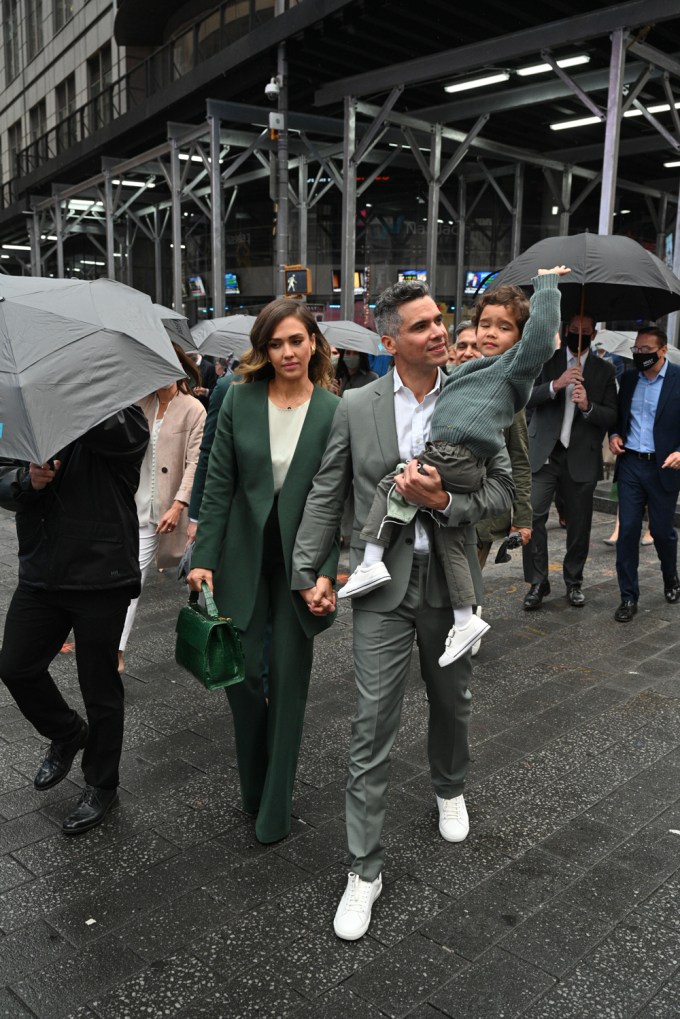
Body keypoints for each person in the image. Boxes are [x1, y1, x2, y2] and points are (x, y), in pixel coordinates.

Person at [291, 279, 515, 941]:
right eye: (420, 326)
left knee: (453, 699)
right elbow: (327, 489)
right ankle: (365, 867)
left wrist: (445, 500)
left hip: (451, 584)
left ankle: (449, 783)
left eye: (439, 319)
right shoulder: (353, 405)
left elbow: (504, 496)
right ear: (389, 340)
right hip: (381, 585)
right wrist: (310, 571)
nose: (438, 331)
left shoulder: (476, 394)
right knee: (370, 721)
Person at [337, 270, 565, 664]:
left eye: (505, 327)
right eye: (485, 324)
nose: (490, 333)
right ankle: (466, 620)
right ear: (390, 342)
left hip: (457, 458)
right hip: (451, 472)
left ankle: (371, 562)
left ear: (521, 337)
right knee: (448, 540)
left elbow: (540, 339)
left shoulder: (512, 367)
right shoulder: (467, 373)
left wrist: (547, 288)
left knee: (396, 481)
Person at [186, 299, 340, 844]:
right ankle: (253, 785)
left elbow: (334, 498)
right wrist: (203, 557)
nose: (286, 352)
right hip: (242, 558)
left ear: (314, 344)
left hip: (301, 566)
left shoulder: (331, 410)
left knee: (291, 686)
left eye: (296, 340)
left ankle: (275, 807)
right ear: (263, 349)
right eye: (275, 343)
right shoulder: (239, 400)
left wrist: (327, 571)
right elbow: (220, 483)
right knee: (243, 677)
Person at [0, 408, 149, 835]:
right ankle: (67, 733)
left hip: (102, 574)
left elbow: (123, 442)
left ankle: (102, 782)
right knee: (15, 666)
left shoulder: (121, 412)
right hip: (42, 570)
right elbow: (4, 476)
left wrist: (71, 398)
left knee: (99, 686)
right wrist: (27, 480)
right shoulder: (24, 411)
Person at [522, 312, 618, 610]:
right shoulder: (545, 360)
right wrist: (556, 384)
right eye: (574, 330)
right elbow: (525, 397)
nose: (579, 335)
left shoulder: (604, 370)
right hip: (545, 454)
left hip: (581, 456)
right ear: (565, 330)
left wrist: (588, 406)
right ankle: (538, 582)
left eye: (585, 331)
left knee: (579, 524)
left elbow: (612, 415)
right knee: (533, 517)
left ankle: (574, 581)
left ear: (594, 334)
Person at [117, 369, 206, 673]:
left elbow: (196, 462)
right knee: (131, 579)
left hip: (170, 508)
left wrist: (180, 504)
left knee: (195, 575)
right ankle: (116, 649)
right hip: (137, 506)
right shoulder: (140, 403)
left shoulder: (193, 409)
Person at [608, 326, 680, 621]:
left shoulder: (678, 379)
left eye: (646, 350)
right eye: (636, 350)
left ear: (662, 350)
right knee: (627, 532)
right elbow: (617, 417)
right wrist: (614, 435)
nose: (640, 355)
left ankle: (670, 577)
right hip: (631, 465)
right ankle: (628, 597)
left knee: (663, 532)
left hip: (664, 467)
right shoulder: (627, 378)